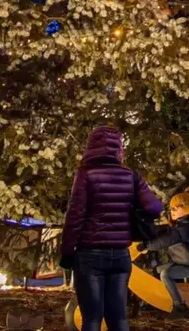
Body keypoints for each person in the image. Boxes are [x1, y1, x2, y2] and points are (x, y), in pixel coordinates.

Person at [60, 125, 163, 331]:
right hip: (120, 256)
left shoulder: (85, 173)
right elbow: (154, 207)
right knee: (118, 318)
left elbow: (75, 215)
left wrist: (67, 252)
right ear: (118, 148)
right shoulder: (131, 175)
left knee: (91, 319)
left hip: (89, 255)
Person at [141, 188, 189, 315]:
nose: (172, 211)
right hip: (184, 262)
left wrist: (148, 245)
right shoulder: (181, 224)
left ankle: (180, 307)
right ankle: (161, 299)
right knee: (158, 270)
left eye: (175, 208)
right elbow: (165, 231)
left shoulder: (188, 227)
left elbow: (169, 239)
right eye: (171, 208)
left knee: (166, 274)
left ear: (186, 208)